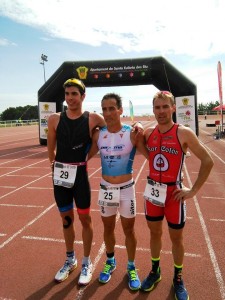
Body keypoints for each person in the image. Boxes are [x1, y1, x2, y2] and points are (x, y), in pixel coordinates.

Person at [141, 91, 214, 299]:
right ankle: (155, 271)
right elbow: (141, 146)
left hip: (174, 195)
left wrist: (193, 190)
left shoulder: (183, 133)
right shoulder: (148, 133)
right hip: (153, 192)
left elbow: (208, 161)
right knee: (154, 234)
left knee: (176, 238)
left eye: (165, 107)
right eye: (157, 107)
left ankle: (178, 277)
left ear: (173, 108)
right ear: (153, 109)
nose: (161, 111)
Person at [47, 78, 106, 285]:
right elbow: (51, 148)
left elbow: (112, 129)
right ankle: (70, 259)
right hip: (61, 177)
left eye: (74, 94)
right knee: (66, 220)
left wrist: (90, 153)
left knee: (85, 220)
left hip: (80, 176)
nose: (70, 98)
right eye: (67, 94)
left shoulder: (93, 119)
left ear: (83, 96)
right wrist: (53, 163)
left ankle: (86, 262)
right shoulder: (54, 119)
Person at [88, 93, 149, 291]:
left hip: (126, 190)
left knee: (129, 230)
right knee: (107, 229)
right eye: (104, 109)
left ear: (120, 110)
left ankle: (131, 267)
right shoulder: (98, 135)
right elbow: (82, 156)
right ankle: (110, 260)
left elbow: (150, 155)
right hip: (106, 189)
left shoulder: (132, 133)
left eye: (111, 108)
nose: (107, 113)